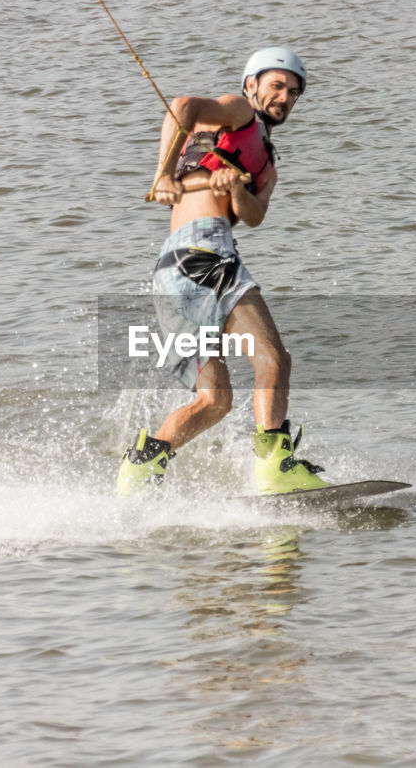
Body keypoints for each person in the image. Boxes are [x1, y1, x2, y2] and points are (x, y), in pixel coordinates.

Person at [116, 47, 330, 497]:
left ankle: (138, 471)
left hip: (172, 271)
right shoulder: (237, 113)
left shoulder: (267, 165)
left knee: (215, 401)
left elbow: (254, 216)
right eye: (275, 86)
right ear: (252, 85)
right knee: (273, 359)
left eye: (293, 92)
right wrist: (165, 175)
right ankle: (276, 468)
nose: (283, 98)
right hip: (205, 253)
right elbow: (182, 108)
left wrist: (234, 187)